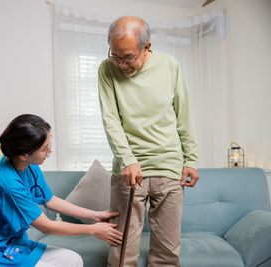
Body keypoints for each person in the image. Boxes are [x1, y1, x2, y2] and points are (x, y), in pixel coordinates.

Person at [98, 16, 199, 267]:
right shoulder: (106, 69)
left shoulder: (169, 65)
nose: (121, 64)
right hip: (129, 172)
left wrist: (191, 159)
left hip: (169, 168)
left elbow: (182, 115)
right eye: (115, 55)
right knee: (122, 253)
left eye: (129, 57)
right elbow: (111, 120)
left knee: (167, 253)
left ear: (147, 47)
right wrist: (128, 160)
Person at [0, 114, 123, 267]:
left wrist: (95, 215)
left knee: (72, 260)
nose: (49, 151)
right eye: (45, 149)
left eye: (49, 145)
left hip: (14, 243)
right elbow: (46, 226)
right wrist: (93, 230)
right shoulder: (6, 182)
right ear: (25, 155)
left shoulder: (29, 166)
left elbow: (49, 200)